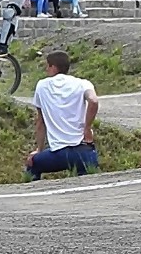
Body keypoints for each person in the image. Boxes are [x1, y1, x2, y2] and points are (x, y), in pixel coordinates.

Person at [25, 51, 100, 181]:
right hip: (84, 151)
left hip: (58, 153)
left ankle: (33, 195)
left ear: (53, 67)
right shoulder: (83, 83)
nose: (46, 69)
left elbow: (40, 122)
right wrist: (87, 128)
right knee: (88, 181)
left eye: (47, 66)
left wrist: (39, 149)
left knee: (33, 165)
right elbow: (93, 101)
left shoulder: (42, 86)